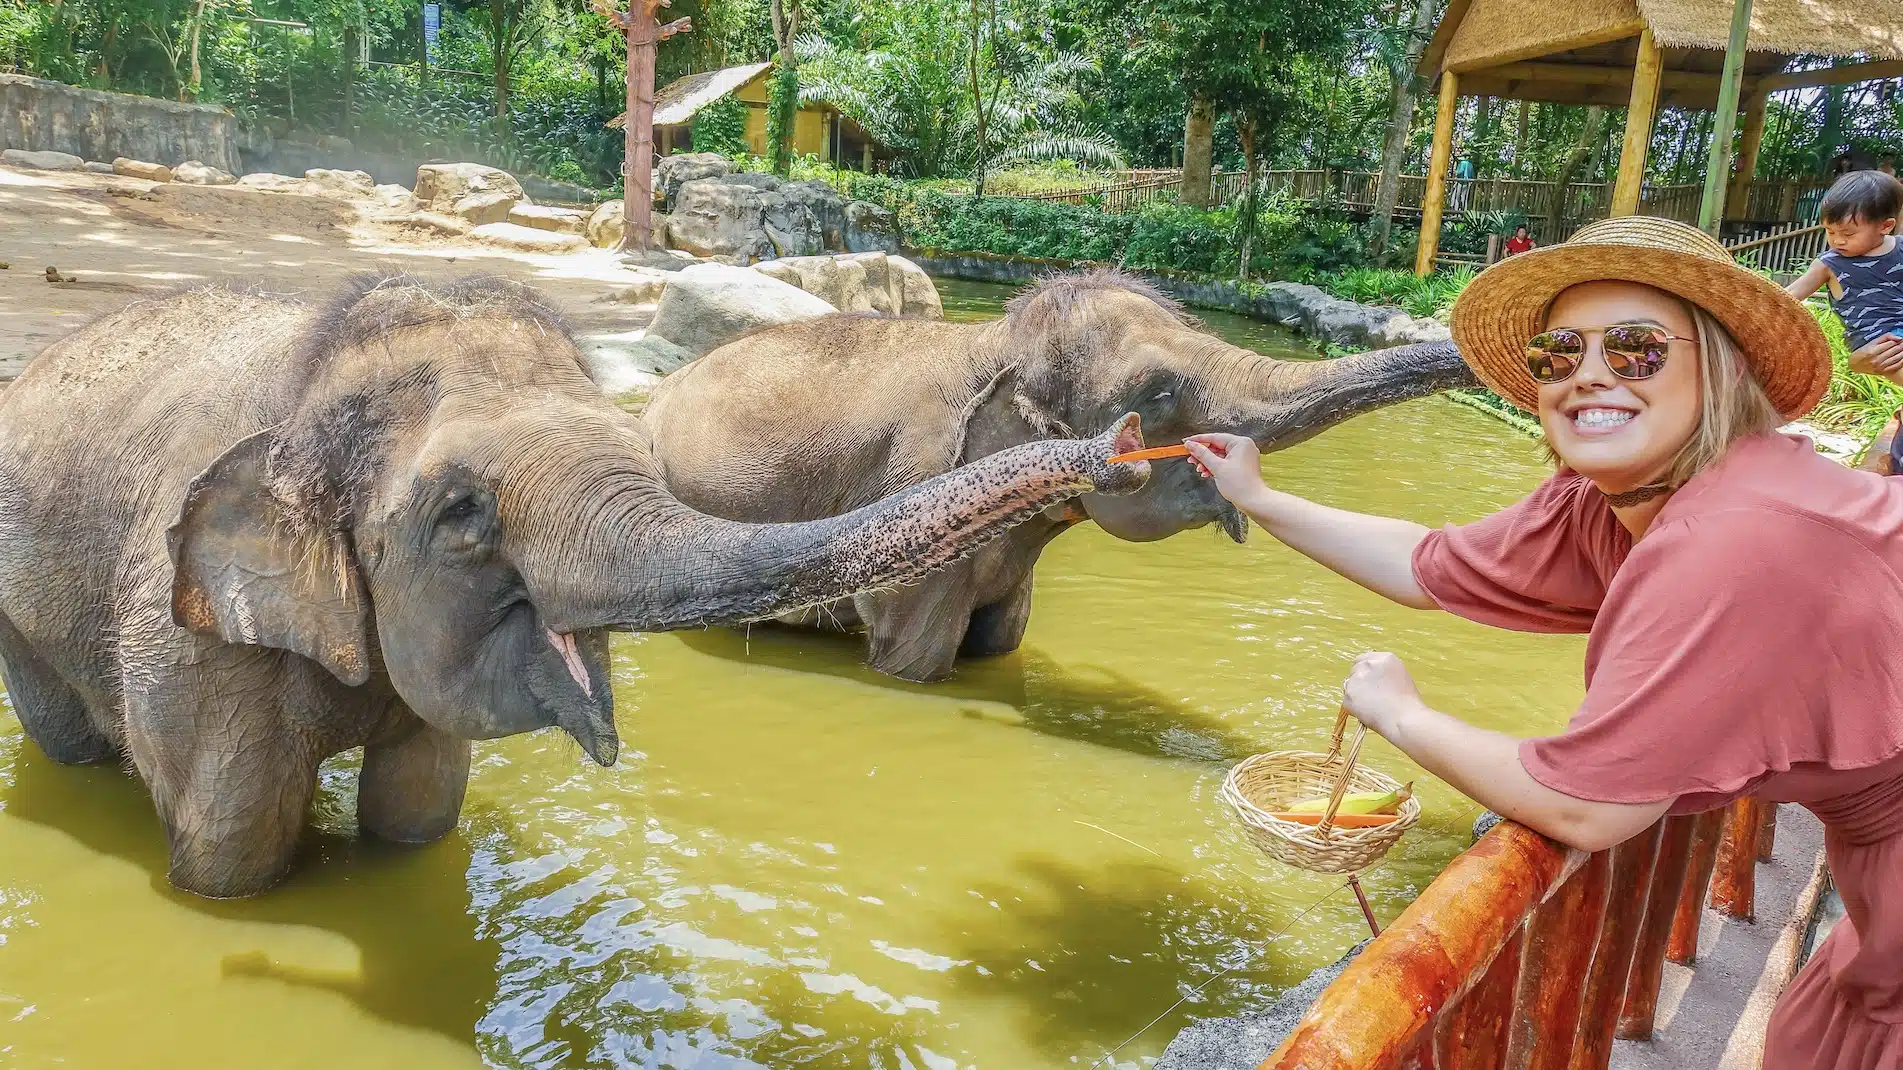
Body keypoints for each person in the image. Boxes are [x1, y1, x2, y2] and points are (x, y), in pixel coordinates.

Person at [1183, 216, 1901, 1069]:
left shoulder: (1734, 537)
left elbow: (1586, 806)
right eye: (1559, 354)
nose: (1588, 374)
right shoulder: (1622, 497)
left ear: (1724, 368)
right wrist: (1257, 496)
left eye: (1635, 348)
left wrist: (1397, 713)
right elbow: (1426, 565)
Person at [1787, 170, 1903, 472]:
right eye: (1830, 231)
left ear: (1885, 226)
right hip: (1876, 342)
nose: (1837, 241)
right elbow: (1786, 297)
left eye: (1848, 234)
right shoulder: (1830, 264)